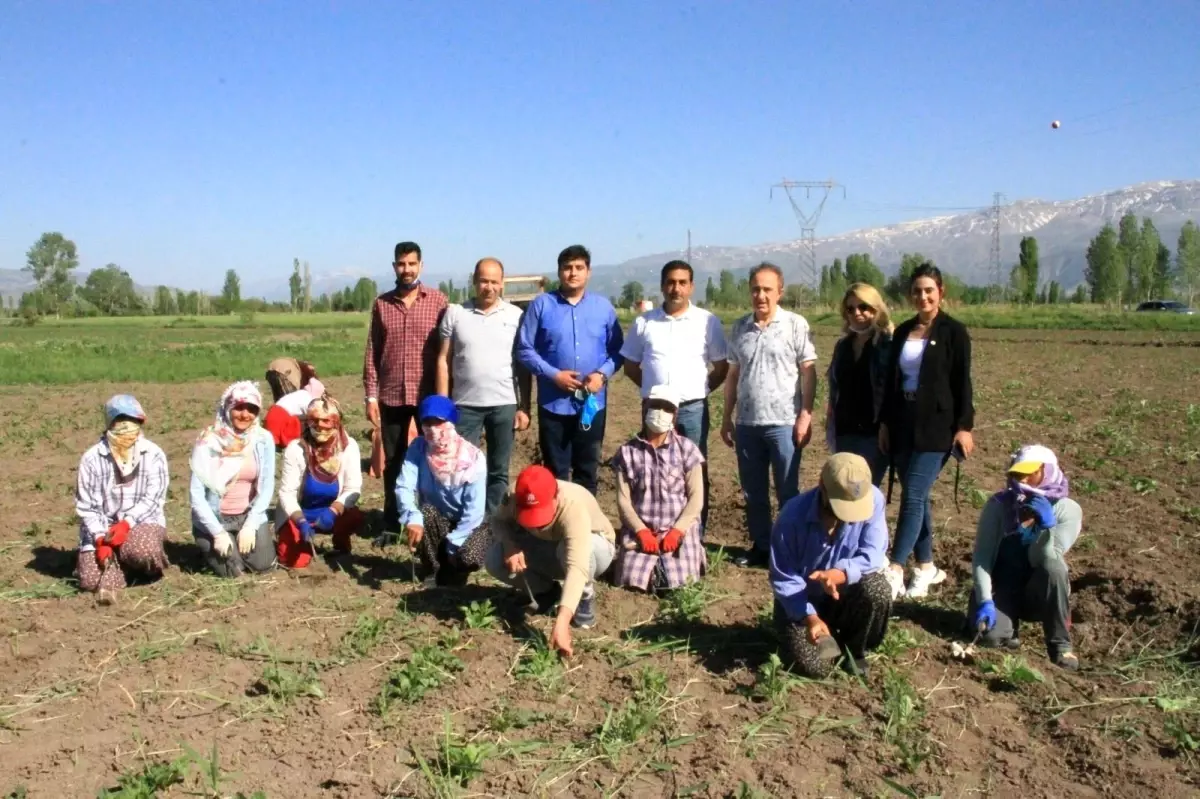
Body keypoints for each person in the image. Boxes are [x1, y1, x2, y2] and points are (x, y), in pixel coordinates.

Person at [878, 263, 975, 600]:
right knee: (917, 499)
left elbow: (962, 383)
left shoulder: (954, 332)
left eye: (929, 290)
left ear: (941, 292)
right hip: (903, 423)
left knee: (914, 495)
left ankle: (895, 568)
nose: (923, 296)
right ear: (910, 295)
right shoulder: (903, 332)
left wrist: (964, 427)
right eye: (917, 291)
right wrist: (886, 423)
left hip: (937, 428)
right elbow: (891, 384)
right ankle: (926, 568)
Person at [721, 263, 818, 568]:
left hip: (784, 422)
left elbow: (808, 372)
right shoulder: (739, 328)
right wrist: (727, 417)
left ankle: (790, 551)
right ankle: (761, 547)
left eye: (767, 289)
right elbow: (733, 376)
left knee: (788, 492)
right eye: (755, 289)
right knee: (753, 492)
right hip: (748, 423)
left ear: (780, 292)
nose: (760, 295)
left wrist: (805, 415)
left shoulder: (794, 324)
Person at [620, 260, 727, 531]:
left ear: (691, 287)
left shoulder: (707, 321)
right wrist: (653, 393)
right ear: (662, 286)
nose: (675, 288)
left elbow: (721, 367)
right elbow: (630, 365)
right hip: (653, 409)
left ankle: (693, 534)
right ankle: (654, 527)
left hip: (692, 409)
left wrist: (699, 391)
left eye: (682, 283)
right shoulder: (645, 322)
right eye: (670, 282)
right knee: (652, 466)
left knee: (693, 470)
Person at [770, 453, 893, 678]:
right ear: (822, 487)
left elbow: (874, 552)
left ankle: (854, 649)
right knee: (816, 669)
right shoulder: (791, 517)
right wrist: (810, 618)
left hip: (844, 596)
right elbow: (784, 578)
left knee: (877, 589)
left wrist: (840, 573)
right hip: (801, 602)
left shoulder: (874, 499)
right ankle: (818, 634)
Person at [515, 245, 623, 495]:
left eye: (578, 268)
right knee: (555, 473)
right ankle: (557, 529)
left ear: (588, 272)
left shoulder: (603, 308)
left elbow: (618, 351)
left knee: (587, 471)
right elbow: (524, 349)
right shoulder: (541, 305)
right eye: (567, 268)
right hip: (553, 404)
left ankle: (587, 529)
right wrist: (554, 375)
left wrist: (602, 374)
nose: (572, 273)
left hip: (591, 405)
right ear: (559, 271)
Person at [969, 445, 1082, 671]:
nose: (1025, 479)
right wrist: (984, 600)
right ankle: (1008, 629)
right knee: (990, 638)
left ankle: (1060, 645)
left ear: (1047, 471)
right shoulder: (999, 506)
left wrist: (1046, 527)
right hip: (1003, 587)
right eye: (1020, 473)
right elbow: (982, 557)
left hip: (1040, 591)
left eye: (1032, 472)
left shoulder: (1067, 511)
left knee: (1055, 569)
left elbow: (1046, 558)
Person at [485, 465, 617, 657]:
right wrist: (509, 545)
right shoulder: (514, 494)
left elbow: (577, 565)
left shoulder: (573, 505)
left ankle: (584, 599)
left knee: (569, 551)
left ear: (557, 496)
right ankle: (546, 592)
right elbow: (498, 521)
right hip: (548, 544)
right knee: (495, 559)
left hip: (597, 548)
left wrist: (562, 622)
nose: (537, 520)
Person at [363, 241, 449, 535]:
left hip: (428, 397)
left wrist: (446, 396)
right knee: (394, 460)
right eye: (401, 264)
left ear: (421, 266)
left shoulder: (438, 301)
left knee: (433, 458)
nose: (407, 269)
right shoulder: (382, 304)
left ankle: (431, 518)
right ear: (394, 267)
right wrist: (371, 395)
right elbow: (373, 352)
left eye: (412, 264)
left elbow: (447, 352)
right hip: (391, 395)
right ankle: (393, 522)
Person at [435, 257, 532, 515]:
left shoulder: (516, 317)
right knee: (461, 467)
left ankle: (491, 525)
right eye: (483, 281)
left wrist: (524, 407)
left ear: (502, 284)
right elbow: (443, 360)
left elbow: (523, 366)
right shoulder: (456, 313)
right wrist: (443, 406)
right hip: (465, 405)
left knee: (499, 471)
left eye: (494, 282)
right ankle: (464, 519)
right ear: (474, 281)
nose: (488, 287)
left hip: (504, 404)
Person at [610, 385, 707, 593]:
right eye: (655, 406)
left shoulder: (687, 449)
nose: (660, 412)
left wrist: (678, 530)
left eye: (667, 408)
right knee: (632, 580)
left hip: (678, 530)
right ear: (644, 407)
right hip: (642, 532)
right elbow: (623, 501)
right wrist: (641, 531)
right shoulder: (627, 453)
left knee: (681, 583)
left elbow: (696, 497)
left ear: (675, 414)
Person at [74, 395, 170, 602]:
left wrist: (127, 523)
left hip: (141, 522)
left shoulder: (153, 454)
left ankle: (136, 566)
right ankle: (116, 567)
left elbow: (154, 498)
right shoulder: (92, 459)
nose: (126, 427)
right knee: (90, 581)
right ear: (109, 424)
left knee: (144, 552)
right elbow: (87, 507)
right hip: (102, 526)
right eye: (120, 421)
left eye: (132, 420)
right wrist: (101, 538)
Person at [396, 394, 491, 586]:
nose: (433, 429)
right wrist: (411, 517)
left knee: (469, 556)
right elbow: (404, 485)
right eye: (427, 423)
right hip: (438, 519)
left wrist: (453, 543)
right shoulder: (418, 448)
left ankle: (456, 569)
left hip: (469, 524)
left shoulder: (473, 458)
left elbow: (474, 511)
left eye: (439, 422)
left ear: (451, 423)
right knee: (426, 513)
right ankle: (432, 569)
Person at [189, 381, 277, 577]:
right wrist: (217, 533)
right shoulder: (208, 440)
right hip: (216, 518)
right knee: (234, 571)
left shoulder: (263, 440)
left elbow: (267, 486)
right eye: (238, 408)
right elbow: (196, 495)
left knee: (265, 566)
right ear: (228, 407)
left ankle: (239, 538)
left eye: (252, 409)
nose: (245, 415)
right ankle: (209, 542)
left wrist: (252, 524)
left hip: (247, 515)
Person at [275, 397, 366, 569]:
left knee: (354, 516)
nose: (320, 425)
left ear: (337, 422)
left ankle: (340, 542)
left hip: (329, 512)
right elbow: (287, 493)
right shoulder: (296, 448)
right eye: (314, 420)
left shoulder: (348, 446)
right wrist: (300, 521)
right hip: (299, 514)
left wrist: (333, 511)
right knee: (295, 563)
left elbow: (353, 487)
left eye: (326, 420)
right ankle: (299, 542)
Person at [825, 283, 893, 486]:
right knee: (845, 489)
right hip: (845, 430)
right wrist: (830, 415)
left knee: (865, 491)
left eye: (864, 307)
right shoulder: (843, 346)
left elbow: (890, 390)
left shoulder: (887, 344)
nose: (857, 313)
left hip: (873, 434)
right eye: (850, 308)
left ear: (876, 309)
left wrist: (886, 425)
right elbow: (836, 385)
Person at [263, 357, 327, 448]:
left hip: (271, 419)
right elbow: (315, 416)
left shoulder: (299, 395)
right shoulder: (308, 400)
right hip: (279, 421)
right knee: (310, 422)